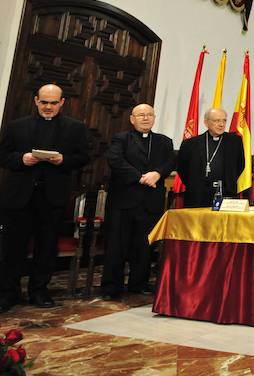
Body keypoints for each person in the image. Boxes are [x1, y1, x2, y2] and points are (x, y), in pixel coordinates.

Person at [0, 84, 89, 311]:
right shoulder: (16, 126)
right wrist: (22, 159)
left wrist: (63, 160)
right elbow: (3, 156)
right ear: (36, 101)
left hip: (53, 196)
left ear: (62, 103)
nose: (48, 107)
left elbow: (82, 158)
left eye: (53, 103)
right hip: (20, 196)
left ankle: (39, 291)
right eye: (44, 102)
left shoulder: (75, 128)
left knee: (47, 246)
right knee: (13, 247)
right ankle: (8, 293)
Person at [100, 104, 175, 300]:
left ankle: (138, 283)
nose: (145, 118)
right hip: (123, 202)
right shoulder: (121, 139)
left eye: (149, 115)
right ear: (132, 119)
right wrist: (140, 177)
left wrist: (158, 173)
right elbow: (115, 160)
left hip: (150, 203)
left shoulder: (164, 141)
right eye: (141, 115)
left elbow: (170, 162)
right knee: (117, 246)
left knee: (144, 246)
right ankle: (111, 287)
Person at [176, 108, 244, 208]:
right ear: (206, 122)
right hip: (197, 195)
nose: (221, 124)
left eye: (224, 120)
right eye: (217, 120)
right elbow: (182, 169)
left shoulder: (235, 142)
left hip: (226, 193)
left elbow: (240, 165)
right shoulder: (190, 144)